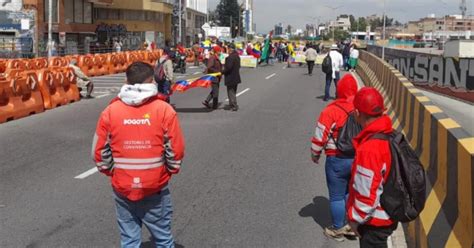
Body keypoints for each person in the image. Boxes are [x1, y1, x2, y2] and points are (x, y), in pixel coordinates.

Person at [92, 61, 185, 248]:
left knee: (129, 240)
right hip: (155, 186)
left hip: (123, 186)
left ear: (127, 80)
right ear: (152, 81)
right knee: (164, 239)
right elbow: (176, 150)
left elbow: (99, 152)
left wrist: (113, 172)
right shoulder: (164, 109)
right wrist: (168, 171)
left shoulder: (111, 110)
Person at [347, 87, 397, 248]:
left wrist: (355, 220)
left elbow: (366, 196)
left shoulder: (369, 149)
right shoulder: (390, 134)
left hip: (374, 222)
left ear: (356, 113)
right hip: (389, 214)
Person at [311, 74, 359, 241]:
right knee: (349, 192)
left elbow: (320, 136)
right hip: (358, 158)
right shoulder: (361, 109)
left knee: (337, 195)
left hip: (336, 158)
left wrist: (315, 154)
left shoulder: (331, 110)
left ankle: (338, 229)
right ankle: (350, 225)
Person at [222, 43, 241, 112]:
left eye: (228, 48)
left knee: (231, 92)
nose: (227, 50)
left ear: (230, 49)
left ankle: (234, 105)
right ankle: (231, 104)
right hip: (236, 76)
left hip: (231, 76)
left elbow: (228, 68)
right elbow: (239, 66)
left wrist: (222, 72)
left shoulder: (230, 57)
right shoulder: (237, 56)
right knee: (233, 91)